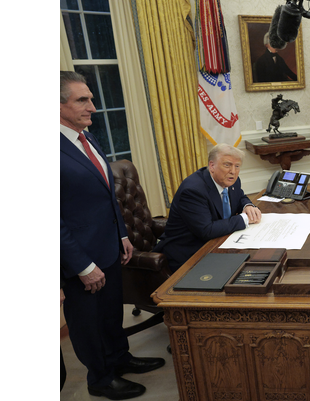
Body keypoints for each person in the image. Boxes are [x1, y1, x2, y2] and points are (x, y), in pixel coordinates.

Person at [60, 71, 165, 400]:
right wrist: (82, 266)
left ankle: (120, 358)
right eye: (82, 100)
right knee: (88, 324)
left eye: (90, 98)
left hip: (109, 247)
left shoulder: (86, 137)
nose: (93, 106)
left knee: (109, 314)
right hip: (80, 259)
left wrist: (122, 234)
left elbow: (107, 195)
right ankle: (101, 378)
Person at [154, 144, 263, 271]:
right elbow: (206, 230)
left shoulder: (232, 180)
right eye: (227, 165)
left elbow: (239, 196)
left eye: (237, 166)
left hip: (218, 244)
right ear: (212, 166)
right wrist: (244, 219)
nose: (233, 171)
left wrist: (247, 205)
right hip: (189, 254)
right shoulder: (193, 190)